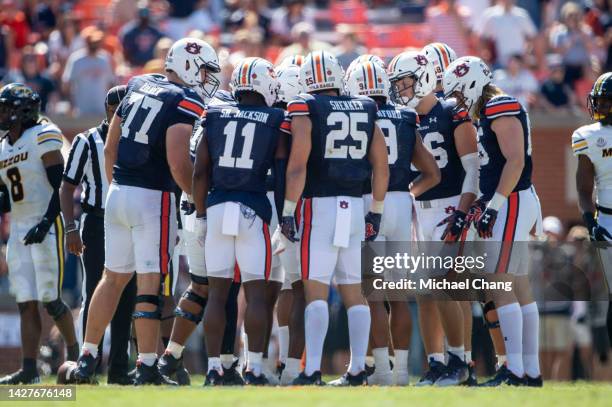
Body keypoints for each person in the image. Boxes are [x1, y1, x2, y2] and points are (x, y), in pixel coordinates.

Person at [71, 37, 220, 385]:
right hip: (153, 197)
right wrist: (199, 204)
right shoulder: (186, 99)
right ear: (187, 65)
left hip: (119, 192)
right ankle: (148, 365)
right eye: (203, 69)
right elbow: (178, 161)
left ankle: (87, 356)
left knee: (112, 278)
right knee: (149, 285)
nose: (206, 77)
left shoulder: (138, 85)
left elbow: (111, 147)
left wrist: (115, 189)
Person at [281, 50, 389, 386]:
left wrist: (287, 210)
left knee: (316, 292)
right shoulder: (365, 106)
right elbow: (381, 165)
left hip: (319, 205)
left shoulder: (305, 106)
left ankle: (311, 369)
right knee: (354, 293)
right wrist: (376, 211)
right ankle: (358, 369)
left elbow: (298, 164)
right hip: (354, 205)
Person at [443, 55, 543, 386]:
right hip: (510, 199)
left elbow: (514, 161)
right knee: (517, 286)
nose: (456, 101)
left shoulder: (499, 105)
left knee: (500, 283)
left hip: (512, 199)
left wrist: (494, 205)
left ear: (471, 84)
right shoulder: (487, 111)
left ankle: (515, 369)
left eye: (457, 93)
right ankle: (529, 371)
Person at [192, 57, 289, 385]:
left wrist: (201, 214)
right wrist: (284, 219)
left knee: (217, 295)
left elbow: (200, 170)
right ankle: (254, 368)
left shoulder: (215, 113)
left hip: (218, 207)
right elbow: (280, 173)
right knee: (257, 295)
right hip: (252, 210)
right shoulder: (275, 118)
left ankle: (213, 369)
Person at [345, 58, 440, 386]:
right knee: (398, 294)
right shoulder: (404, 116)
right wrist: (407, 196)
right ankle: (400, 372)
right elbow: (433, 173)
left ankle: (382, 371)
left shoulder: (357, 115)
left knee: (371, 293)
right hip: (400, 201)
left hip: (367, 202)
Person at [388, 50, 478, 386]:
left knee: (448, 287)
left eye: (405, 82)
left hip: (450, 205)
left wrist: (463, 211)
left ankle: (460, 359)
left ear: (423, 78)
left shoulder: (452, 111)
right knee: (425, 292)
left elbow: (472, 170)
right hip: (418, 210)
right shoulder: (404, 117)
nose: (400, 90)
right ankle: (436, 363)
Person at [0, 83, 79, 385]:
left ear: (22, 110)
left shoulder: (43, 134)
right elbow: (8, 196)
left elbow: (60, 187)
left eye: (6, 107)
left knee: (50, 298)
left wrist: (46, 223)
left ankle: (76, 358)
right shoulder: (4, 145)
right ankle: (29, 369)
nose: (2, 113)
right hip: (19, 226)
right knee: (25, 300)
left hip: (48, 223)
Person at [60, 85, 136, 385]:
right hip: (96, 219)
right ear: (109, 109)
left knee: (127, 295)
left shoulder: (136, 141)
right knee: (94, 291)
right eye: (121, 109)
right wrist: (70, 226)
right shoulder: (87, 140)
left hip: (127, 221)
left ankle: (118, 368)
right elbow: (67, 186)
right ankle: (88, 364)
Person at [272, 58, 307, 386]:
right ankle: (291, 364)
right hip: (288, 206)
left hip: (263, 205)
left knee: (271, 288)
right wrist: (288, 211)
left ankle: (263, 362)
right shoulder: (294, 119)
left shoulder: (270, 116)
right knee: (297, 287)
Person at [572, 71, 612, 341]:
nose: (600, 106)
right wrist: (591, 222)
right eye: (599, 100)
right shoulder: (588, 136)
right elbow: (584, 188)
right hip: (609, 220)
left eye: (607, 101)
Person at [61, 27, 115, 117]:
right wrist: (71, 105)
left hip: (101, 111)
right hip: (82, 111)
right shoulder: (76, 59)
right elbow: (66, 84)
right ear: (86, 42)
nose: (94, 44)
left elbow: (110, 83)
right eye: (92, 42)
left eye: (96, 42)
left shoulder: (105, 59)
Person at [119, 3, 165, 67]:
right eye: (142, 13)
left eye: (146, 13)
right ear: (137, 14)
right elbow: (126, 52)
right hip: (134, 66)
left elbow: (161, 48)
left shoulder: (156, 31)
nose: (144, 16)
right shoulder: (129, 31)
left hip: (152, 66)